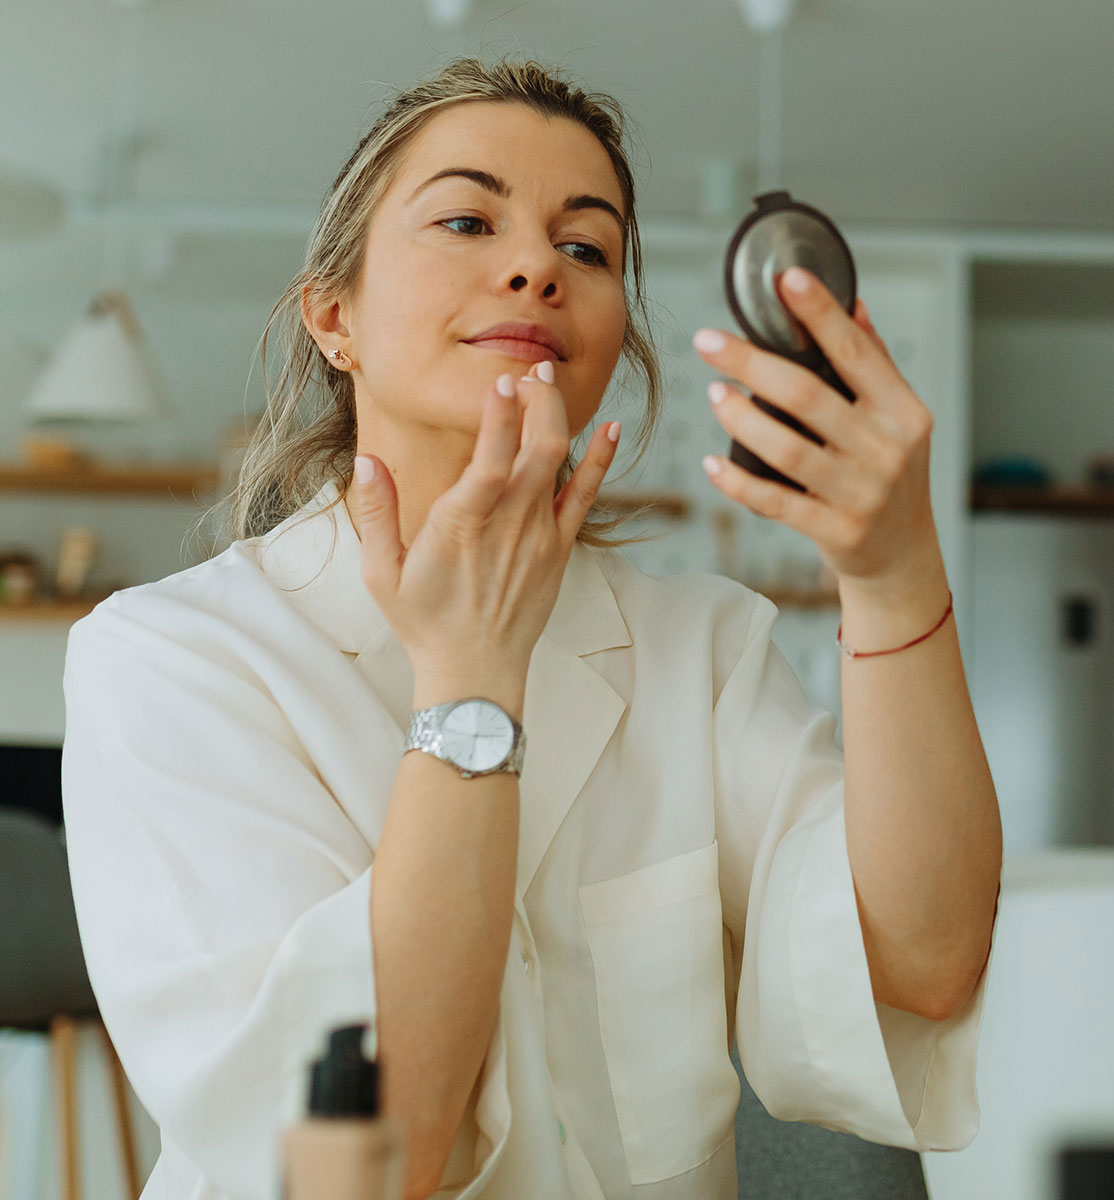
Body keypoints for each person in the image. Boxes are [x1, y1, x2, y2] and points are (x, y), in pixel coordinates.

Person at [61, 56, 1002, 1200]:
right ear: (333, 314)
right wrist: (473, 680)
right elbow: (366, 1164)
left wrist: (896, 572)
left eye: (587, 248)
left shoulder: (700, 651)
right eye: (467, 218)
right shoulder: (172, 658)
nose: (532, 267)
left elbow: (923, 964)